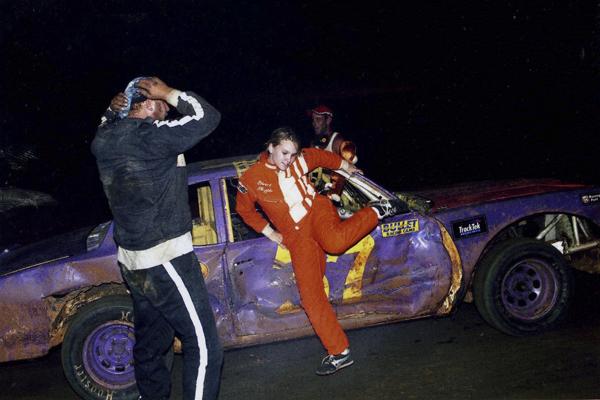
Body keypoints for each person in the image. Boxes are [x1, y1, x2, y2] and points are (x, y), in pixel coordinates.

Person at [92, 76, 223, 400]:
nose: (167, 109)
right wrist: (170, 92)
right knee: (205, 346)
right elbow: (208, 117)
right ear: (147, 103)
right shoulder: (151, 137)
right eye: (160, 104)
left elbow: (102, 127)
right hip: (166, 258)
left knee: (151, 345)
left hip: (134, 263)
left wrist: (111, 111)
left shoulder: (105, 141)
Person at [235, 127, 400, 376]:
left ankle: (377, 210)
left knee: (334, 242)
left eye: (292, 154)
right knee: (310, 297)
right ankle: (339, 352)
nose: (288, 159)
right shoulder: (251, 178)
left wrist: (344, 166)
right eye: (283, 153)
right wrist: (270, 232)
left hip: (317, 211)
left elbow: (320, 156)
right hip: (296, 237)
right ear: (271, 147)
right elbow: (244, 210)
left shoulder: (300, 161)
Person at [309, 105, 357, 197]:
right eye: (313, 120)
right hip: (318, 192)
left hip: (336, 195)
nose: (314, 123)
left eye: (318, 120)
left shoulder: (337, 141)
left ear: (328, 120)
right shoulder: (314, 142)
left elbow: (347, 169)